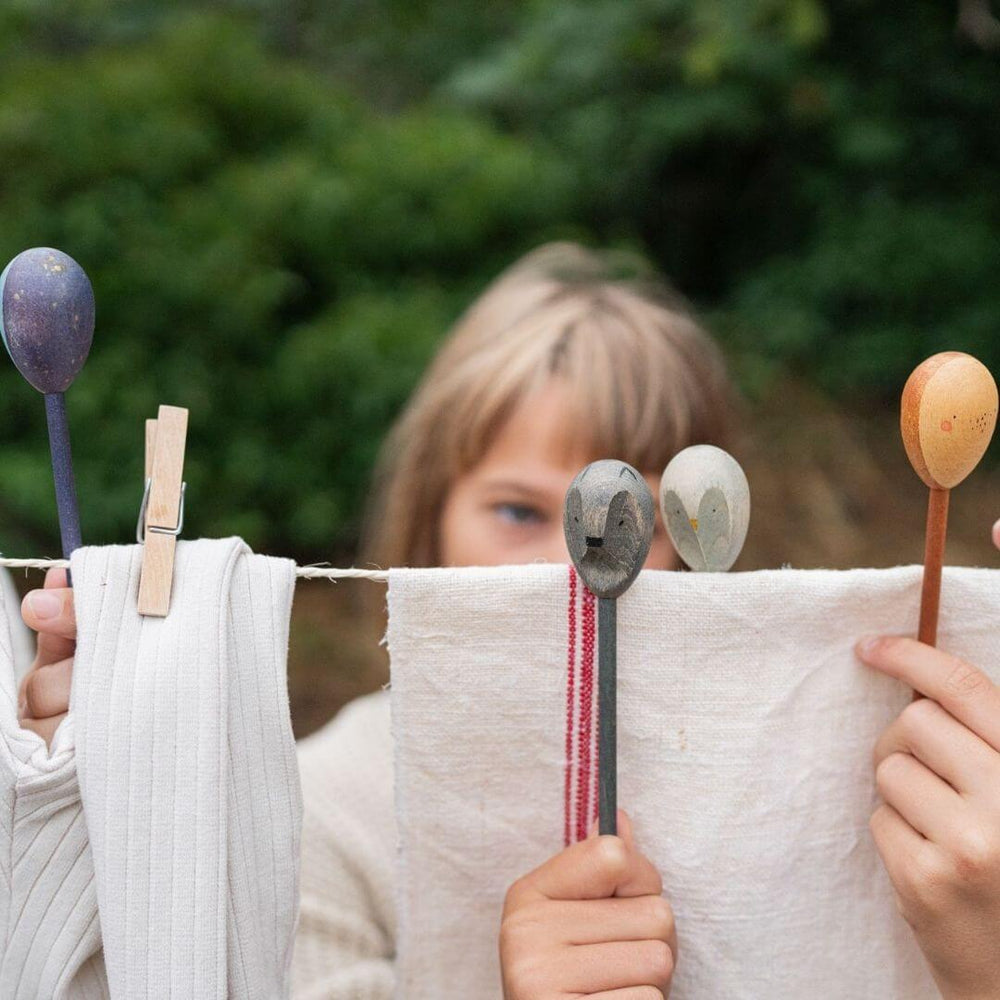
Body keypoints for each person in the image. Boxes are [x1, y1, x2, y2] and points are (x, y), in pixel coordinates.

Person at [15, 245, 1000, 999]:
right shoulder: (312, 815)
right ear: (425, 516)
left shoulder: (835, 790)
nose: (575, 566)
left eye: (649, 519)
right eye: (522, 510)